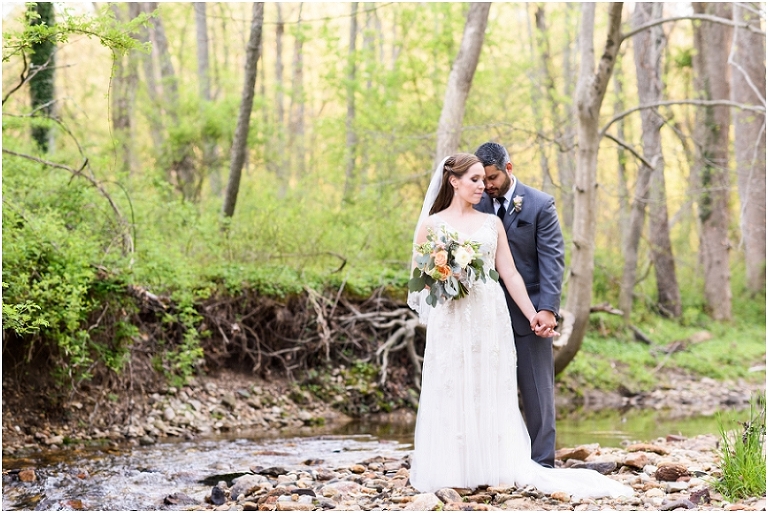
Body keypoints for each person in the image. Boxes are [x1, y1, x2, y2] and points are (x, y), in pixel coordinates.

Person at [407, 153, 632, 499]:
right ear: (454, 181)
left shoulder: (490, 224)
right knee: (452, 383)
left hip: (488, 313)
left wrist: (533, 314)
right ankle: (452, 467)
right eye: (475, 180)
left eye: (485, 179)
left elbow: (509, 273)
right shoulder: (433, 224)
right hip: (452, 316)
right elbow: (420, 280)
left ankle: (492, 463)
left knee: (489, 385)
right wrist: (445, 276)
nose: (483, 186)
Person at [474, 141, 564, 469]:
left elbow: (553, 260)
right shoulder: (475, 204)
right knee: (487, 389)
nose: (487, 185)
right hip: (484, 312)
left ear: (508, 169)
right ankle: (493, 461)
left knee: (538, 391)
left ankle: (542, 464)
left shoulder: (540, 205)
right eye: (482, 179)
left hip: (531, 312)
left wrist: (548, 310)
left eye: (493, 177)